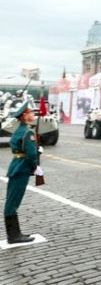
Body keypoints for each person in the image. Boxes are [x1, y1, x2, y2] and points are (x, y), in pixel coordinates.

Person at [4, 102, 38, 244]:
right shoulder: (28, 132)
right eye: (31, 112)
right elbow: (31, 154)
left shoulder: (19, 130)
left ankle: (16, 234)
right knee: (13, 202)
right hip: (22, 169)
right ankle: (13, 236)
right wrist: (35, 166)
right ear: (24, 115)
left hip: (16, 167)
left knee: (12, 200)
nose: (33, 115)